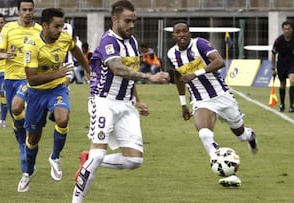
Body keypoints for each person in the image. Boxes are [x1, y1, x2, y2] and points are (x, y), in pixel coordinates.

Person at [72, 1, 169, 202]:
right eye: (127, 21)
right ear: (115, 19)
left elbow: (129, 74)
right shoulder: (108, 41)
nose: (131, 25)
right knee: (98, 154)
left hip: (126, 105)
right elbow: (118, 69)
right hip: (104, 103)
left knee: (134, 160)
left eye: (134, 21)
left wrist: (138, 100)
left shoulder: (132, 42)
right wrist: (150, 77)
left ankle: (87, 160)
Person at [167, 20, 258, 187]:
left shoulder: (200, 44)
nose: (181, 35)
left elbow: (219, 61)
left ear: (189, 32)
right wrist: (183, 104)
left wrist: (196, 73)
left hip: (222, 97)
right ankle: (227, 173)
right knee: (204, 134)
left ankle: (250, 136)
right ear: (173, 35)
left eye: (184, 31)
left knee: (241, 134)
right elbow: (178, 78)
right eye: (178, 32)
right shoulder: (172, 54)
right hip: (201, 100)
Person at [18, 8, 90, 192]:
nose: (60, 30)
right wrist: (57, 73)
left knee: (62, 118)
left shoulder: (65, 38)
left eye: (61, 26)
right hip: (36, 93)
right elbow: (31, 79)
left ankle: (55, 157)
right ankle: (28, 172)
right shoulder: (32, 45)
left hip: (57, 88)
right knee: (33, 138)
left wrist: (89, 70)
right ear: (44, 26)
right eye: (56, 26)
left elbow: (76, 50)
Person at [0, 0, 42, 191]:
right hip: (10, 79)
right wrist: (7, 56)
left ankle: (27, 152)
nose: (27, 13)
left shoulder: (39, 30)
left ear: (33, 11)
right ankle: (25, 146)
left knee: (17, 108)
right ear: (18, 11)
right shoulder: (8, 29)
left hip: (30, 80)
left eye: (30, 9)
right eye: (24, 10)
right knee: (17, 119)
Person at [271, 20, 294, 112]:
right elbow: (273, 54)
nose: (287, 31)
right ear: (282, 30)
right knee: (282, 84)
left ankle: (291, 105)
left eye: (289, 29)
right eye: (285, 29)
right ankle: (282, 104)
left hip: (292, 64)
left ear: (292, 29)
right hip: (281, 65)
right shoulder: (278, 40)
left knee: (292, 80)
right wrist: (273, 68)